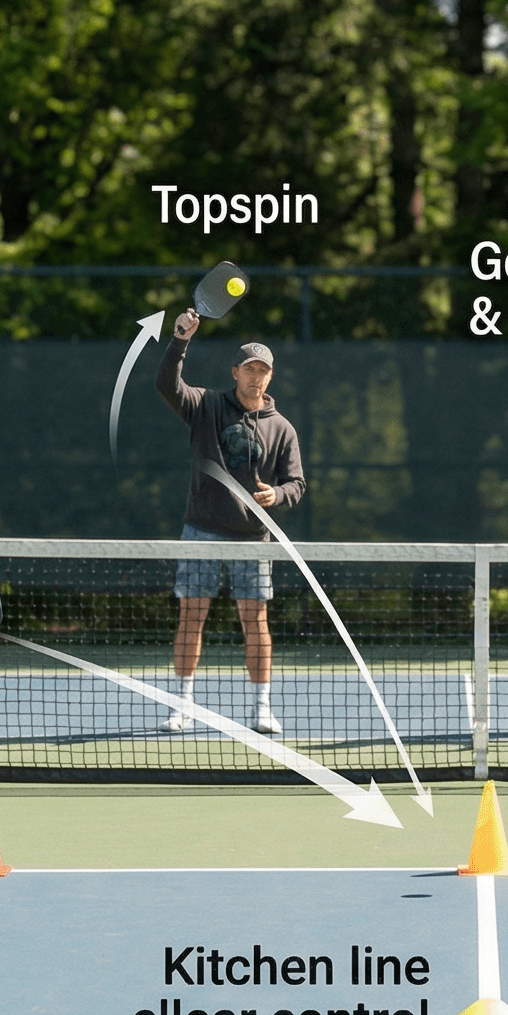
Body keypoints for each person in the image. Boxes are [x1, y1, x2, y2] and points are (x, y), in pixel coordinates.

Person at [154, 310, 304, 734]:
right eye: (249, 369)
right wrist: (180, 340)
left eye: (263, 371)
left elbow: (297, 483)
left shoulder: (283, 430)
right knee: (191, 618)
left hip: (253, 540)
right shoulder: (206, 406)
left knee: (255, 622)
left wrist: (278, 494)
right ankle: (181, 706)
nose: (256, 377)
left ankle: (261, 709)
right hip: (200, 530)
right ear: (235, 372)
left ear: (270, 377)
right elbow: (166, 385)